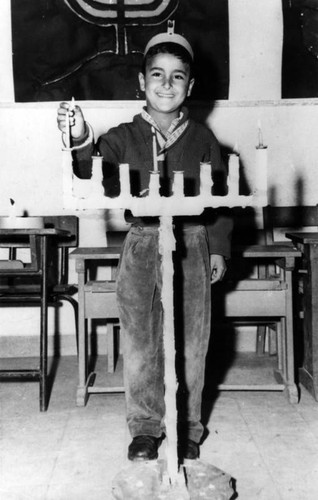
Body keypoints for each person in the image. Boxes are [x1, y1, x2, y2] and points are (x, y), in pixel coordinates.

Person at [57, 28, 232, 462]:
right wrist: (79, 135)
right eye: (157, 74)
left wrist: (218, 247)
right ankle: (145, 429)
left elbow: (227, 200)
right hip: (142, 243)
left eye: (177, 77)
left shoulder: (205, 141)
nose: (166, 84)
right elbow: (90, 169)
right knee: (140, 342)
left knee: (193, 341)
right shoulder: (122, 137)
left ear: (190, 86)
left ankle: (188, 427)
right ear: (141, 82)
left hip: (192, 242)